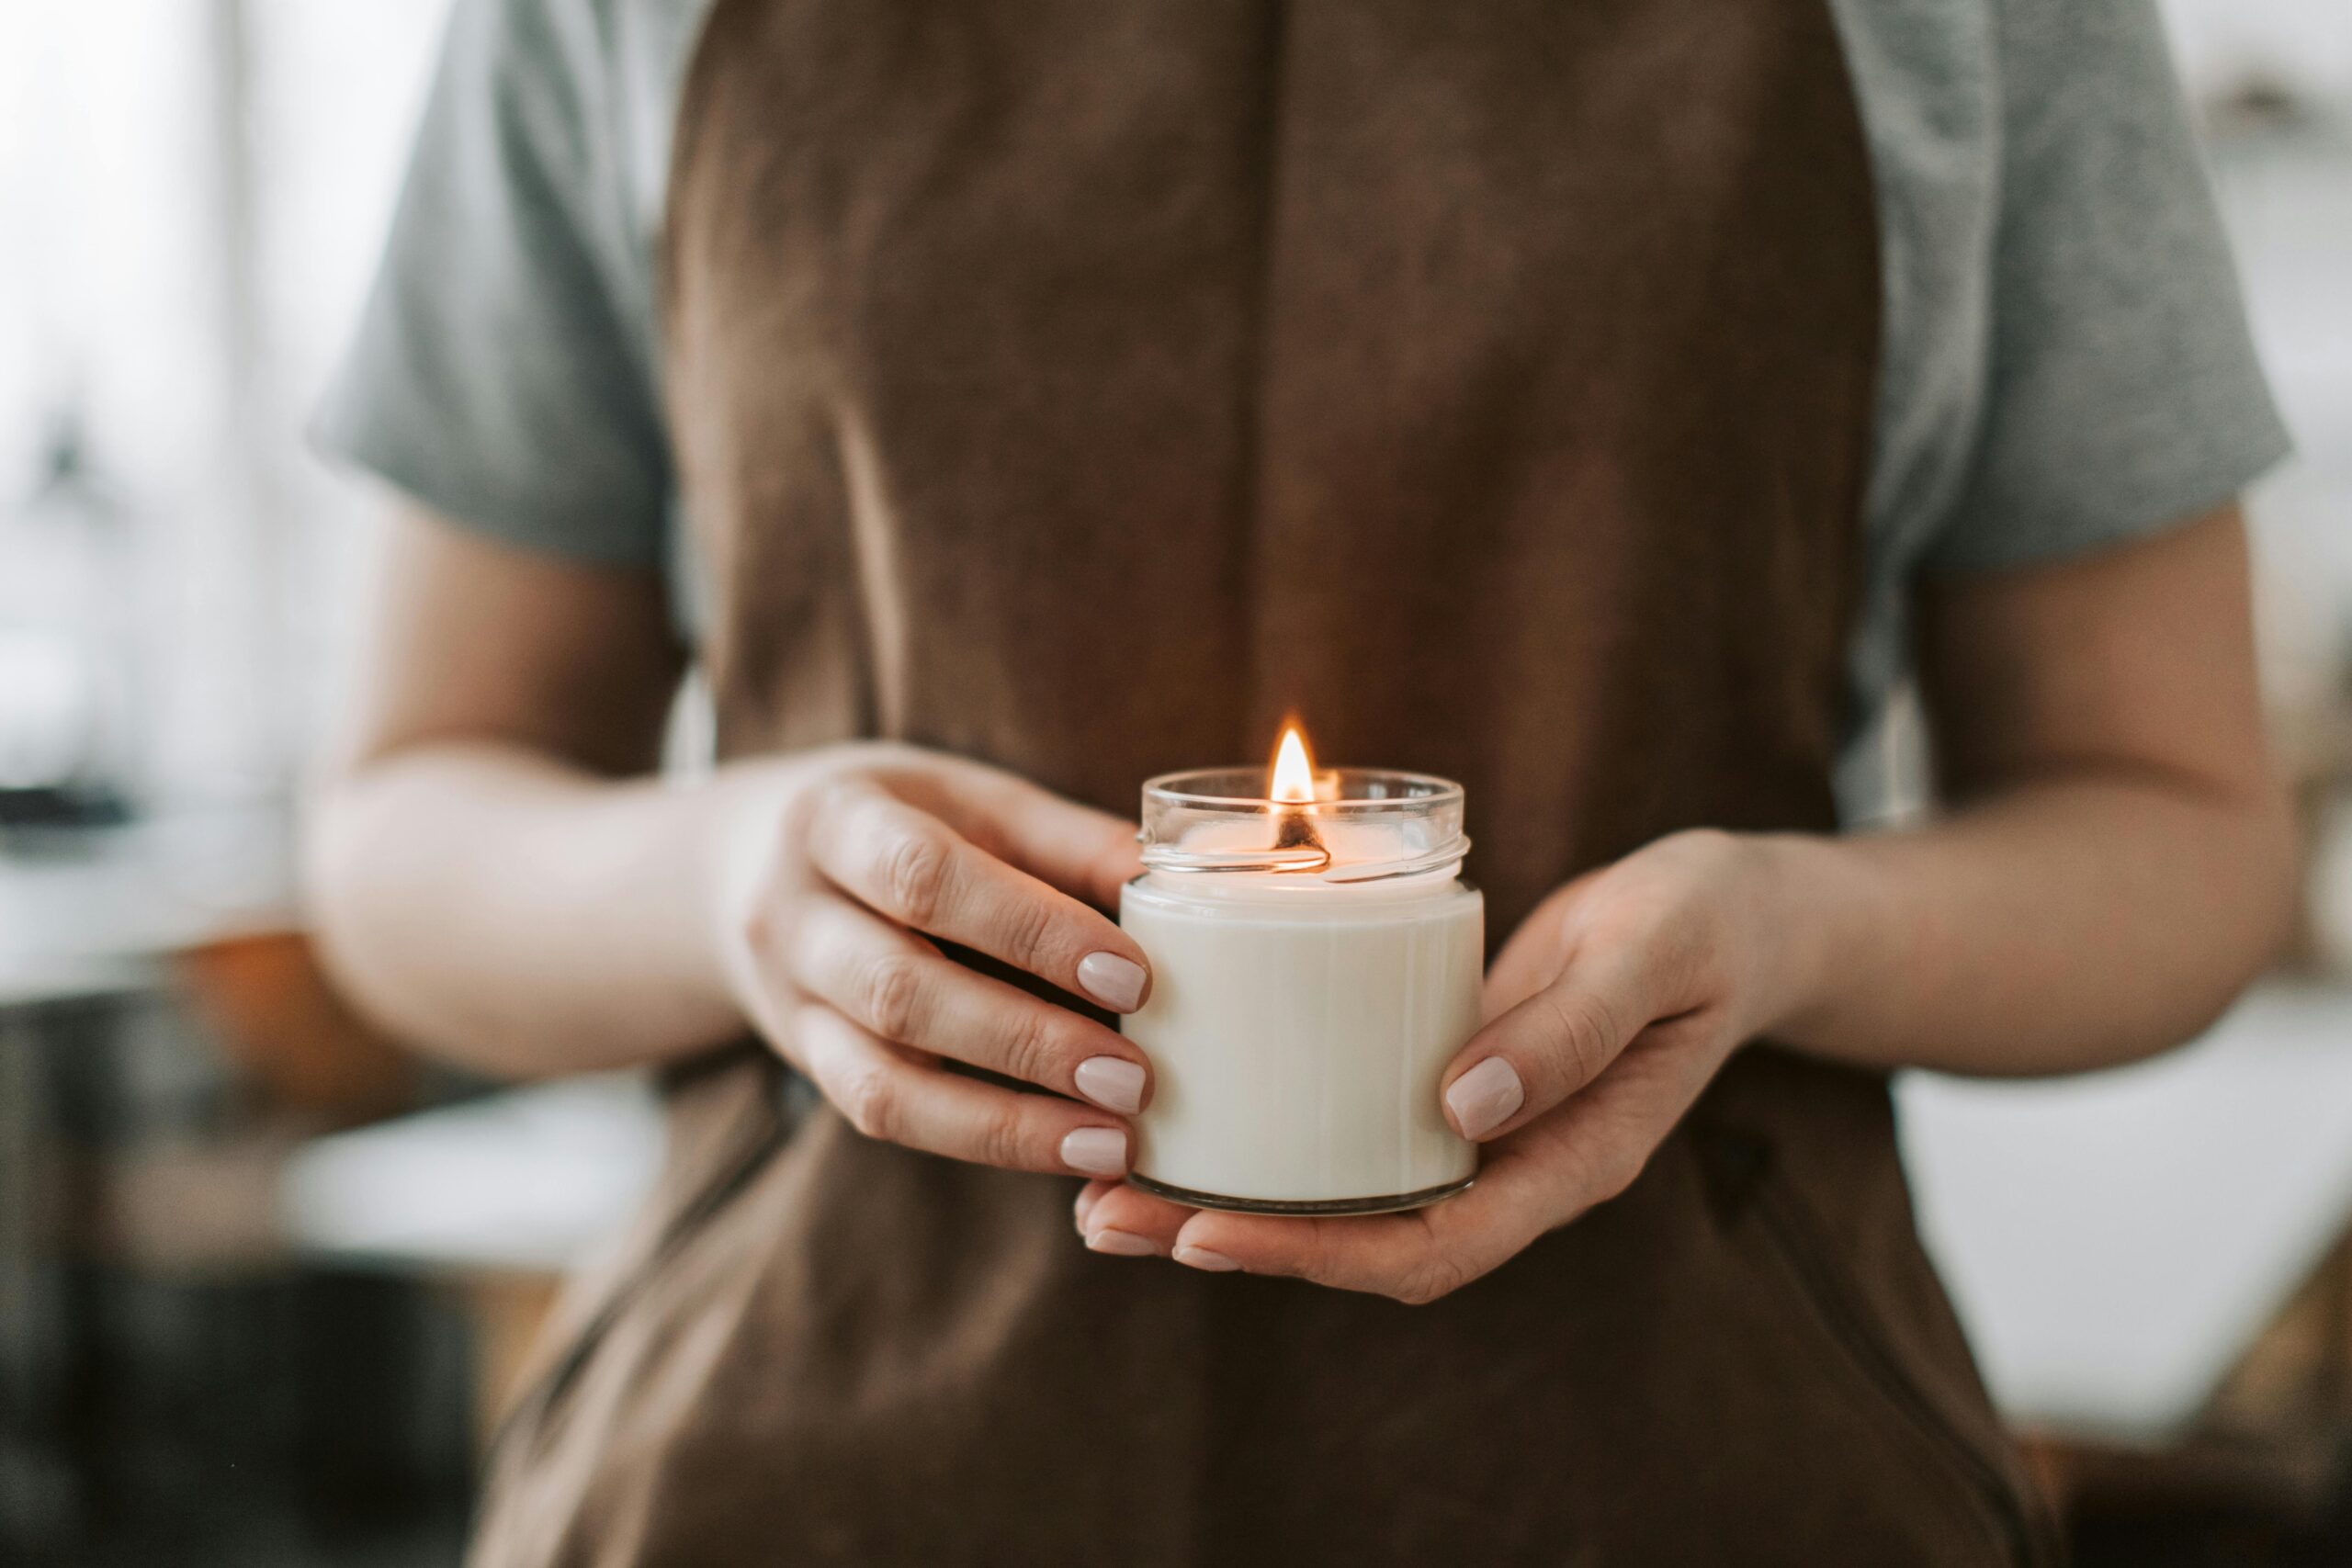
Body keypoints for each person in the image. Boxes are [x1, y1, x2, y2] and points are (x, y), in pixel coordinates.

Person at [305, 0, 2294, 1562]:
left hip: (1694, 1460)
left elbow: (2179, 833)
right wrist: (732, 875)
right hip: (799, 1458)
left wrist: (1784, 926)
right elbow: (403, 829)